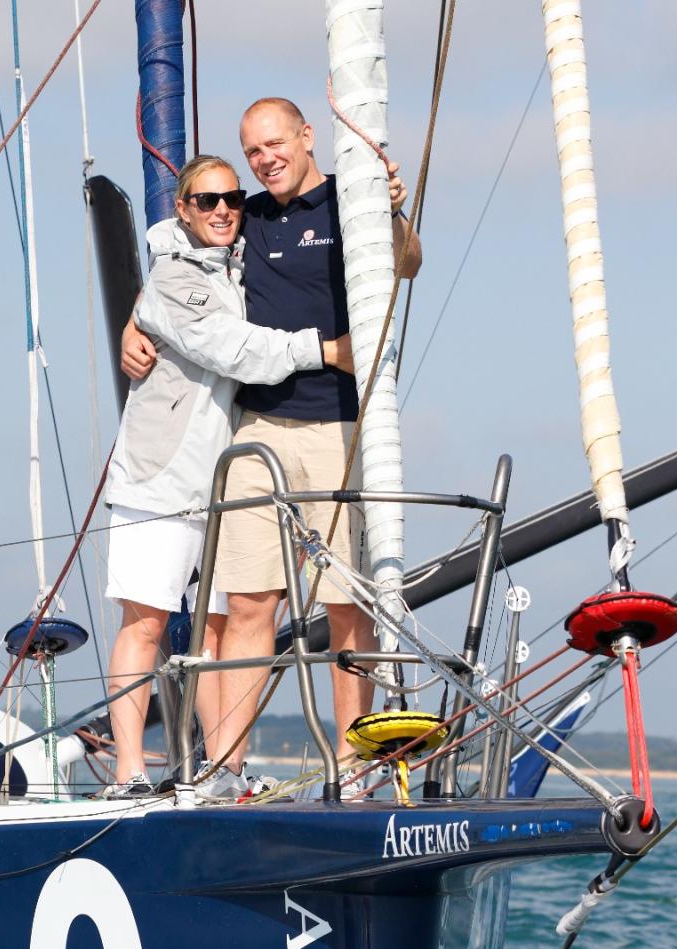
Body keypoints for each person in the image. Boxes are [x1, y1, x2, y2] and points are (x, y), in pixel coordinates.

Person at [123, 98, 421, 798]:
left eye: (275, 144)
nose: (265, 160)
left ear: (306, 137)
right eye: (253, 151)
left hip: (340, 429)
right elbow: (178, 251)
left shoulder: (351, 206)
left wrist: (392, 212)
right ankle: (227, 766)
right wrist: (135, 320)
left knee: (346, 606)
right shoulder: (245, 217)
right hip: (258, 432)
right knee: (252, 604)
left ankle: (354, 766)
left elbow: (404, 264)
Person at [103, 153, 353, 799]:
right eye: (206, 200)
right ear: (182, 208)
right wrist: (325, 350)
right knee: (146, 623)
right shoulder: (171, 280)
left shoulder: (235, 260)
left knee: (217, 632)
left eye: (232, 200)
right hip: (158, 478)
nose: (222, 210)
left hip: (216, 483)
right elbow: (234, 348)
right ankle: (129, 768)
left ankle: (223, 770)